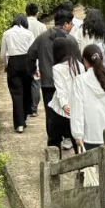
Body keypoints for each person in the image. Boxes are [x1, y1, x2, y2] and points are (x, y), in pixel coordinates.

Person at [29, 9, 74, 147]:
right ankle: (68, 137)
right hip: (66, 82)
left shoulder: (42, 38)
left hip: (48, 82)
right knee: (68, 110)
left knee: (51, 114)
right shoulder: (70, 39)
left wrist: (32, 70)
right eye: (71, 24)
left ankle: (53, 143)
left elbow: (30, 54)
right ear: (65, 24)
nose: (72, 26)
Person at [0, 14, 35, 134]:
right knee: (27, 91)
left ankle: (19, 124)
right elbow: (32, 52)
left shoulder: (7, 33)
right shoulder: (28, 33)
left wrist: (6, 65)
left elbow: (3, 53)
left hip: (13, 63)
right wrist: (35, 67)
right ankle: (24, 117)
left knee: (16, 94)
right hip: (27, 62)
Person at [49, 36, 81, 152]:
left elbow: (60, 89)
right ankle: (81, 162)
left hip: (61, 109)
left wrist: (64, 104)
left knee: (54, 139)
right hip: (77, 107)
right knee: (77, 139)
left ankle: (54, 161)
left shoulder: (57, 68)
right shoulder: (79, 65)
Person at [26, 3, 46, 117]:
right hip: (37, 58)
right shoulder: (41, 26)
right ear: (37, 12)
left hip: (24, 57)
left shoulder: (23, 24)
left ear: (26, 12)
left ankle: (27, 107)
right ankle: (34, 109)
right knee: (36, 84)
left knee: (26, 83)